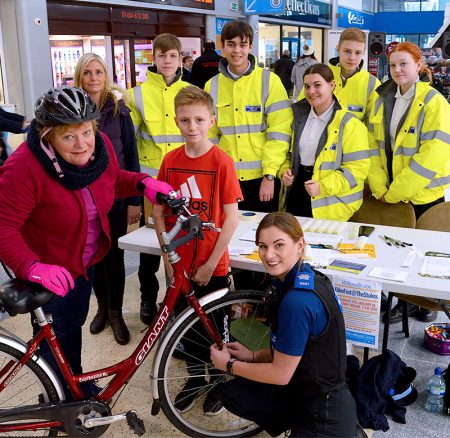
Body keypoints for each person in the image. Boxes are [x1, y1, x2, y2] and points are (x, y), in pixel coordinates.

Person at [0, 86, 172, 398]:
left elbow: (111, 180)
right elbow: (3, 227)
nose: (82, 144)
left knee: (71, 325)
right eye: (68, 136)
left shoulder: (100, 146)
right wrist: (32, 267)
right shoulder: (25, 167)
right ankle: (56, 398)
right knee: (58, 331)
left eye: (85, 132)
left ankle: (71, 384)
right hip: (49, 268)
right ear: (48, 136)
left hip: (85, 261)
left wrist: (142, 183)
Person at [210, 212, 357, 437]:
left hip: (324, 411)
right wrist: (252, 356)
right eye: (262, 246)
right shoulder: (308, 277)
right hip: (307, 388)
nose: (269, 255)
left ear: (300, 245)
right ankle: (294, 423)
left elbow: (280, 374)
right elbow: (293, 351)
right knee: (234, 394)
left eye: (279, 245)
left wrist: (228, 366)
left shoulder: (296, 302)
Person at [153, 85, 242, 415]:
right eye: (185, 120)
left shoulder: (221, 162)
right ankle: (195, 377)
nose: (192, 127)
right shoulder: (170, 160)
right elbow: (159, 211)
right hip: (180, 266)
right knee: (185, 328)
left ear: (212, 120)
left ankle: (221, 382)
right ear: (176, 121)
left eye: (199, 120)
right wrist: (167, 252)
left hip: (211, 266)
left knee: (216, 329)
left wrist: (210, 263)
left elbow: (231, 218)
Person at [205, 20, 292, 290]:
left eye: (242, 44)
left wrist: (269, 174)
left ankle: (262, 298)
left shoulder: (269, 81)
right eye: (231, 45)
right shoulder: (212, 86)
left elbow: (279, 133)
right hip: (228, 180)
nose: (237, 50)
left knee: (265, 243)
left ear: (251, 46)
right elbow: (211, 134)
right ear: (222, 47)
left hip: (260, 180)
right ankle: (241, 297)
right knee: (234, 242)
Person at [367, 42, 450, 324]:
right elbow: (372, 147)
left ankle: (424, 302)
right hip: (390, 193)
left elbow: (433, 155)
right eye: (393, 65)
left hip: (423, 195)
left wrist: (397, 191)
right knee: (397, 252)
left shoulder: (433, 101)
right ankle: (402, 301)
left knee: (423, 255)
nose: (398, 70)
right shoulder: (382, 99)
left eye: (404, 63)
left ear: (418, 65)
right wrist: (380, 186)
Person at [74, 53, 140, 345]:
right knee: (93, 256)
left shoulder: (118, 110)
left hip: (115, 197)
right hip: (83, 199)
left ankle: (116, 313)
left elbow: (131, 155)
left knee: (114, 256)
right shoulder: (71, 110)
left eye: (98, 72)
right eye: (87, 72)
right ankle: (100, 307)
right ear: (79, 76)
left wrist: (135, 199)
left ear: (106, 76)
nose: (93, 78)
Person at [129, 33, 190, 326]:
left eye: (173, 56)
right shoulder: (136, 94)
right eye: (162, 55)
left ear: (181, 59)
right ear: (153, 58)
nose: (167, 61)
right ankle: (146, 299)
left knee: (180, 244)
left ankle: (175, 301)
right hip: (151, 186)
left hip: (183, 184)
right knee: (150, 248)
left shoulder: (191, 91)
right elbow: (129, 140)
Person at [281, 63, 370, 221]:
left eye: (317, 85)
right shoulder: (297, 118)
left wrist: (322, 187)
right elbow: (289, 154)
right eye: (307, 86)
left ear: (332, 85)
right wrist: (284, 171)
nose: (311, 91)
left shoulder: (350, 124)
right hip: (297, 191)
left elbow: (356, 170)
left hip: (331, 201)